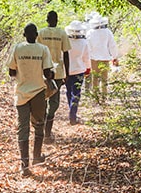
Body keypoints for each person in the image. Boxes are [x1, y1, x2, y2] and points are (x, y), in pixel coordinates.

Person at [7, 23, 54, 177]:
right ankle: (37, 157)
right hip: (38, 93)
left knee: (23, 128)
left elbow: (11, 72)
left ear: (24, 34)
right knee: (39, 124)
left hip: (21, 93)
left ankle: (24, 164)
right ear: (36, 35)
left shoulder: (17, 48)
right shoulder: (43, 49)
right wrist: (51, 75)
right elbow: (47, 73)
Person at [37, 10, 71, 144]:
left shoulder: (41, 33)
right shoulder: (62, 33)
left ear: (47, 19)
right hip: (56, 71)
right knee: (54, 101)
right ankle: (47, 131)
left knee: (44, 99)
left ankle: (46, 129)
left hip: (43, 71)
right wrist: (67, 72)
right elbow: (66, 54)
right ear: (56, 20)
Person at [86, 13, 119, 103]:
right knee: (104, 79)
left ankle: (96, 97)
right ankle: (104, 98)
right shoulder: (107, 32)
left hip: (93, 59)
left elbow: (87, 47)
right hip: (105, 58)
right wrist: (115, 57)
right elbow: (112, 45)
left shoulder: (90, 33)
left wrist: (86, 59)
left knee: (95, 78)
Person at [64, 20, 91, 125]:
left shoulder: (66, 41)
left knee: (68, 92)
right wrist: (88, 68)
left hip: (67, 71)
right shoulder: (84, 42)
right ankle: (73, 114)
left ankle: (72, 112)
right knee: (76, 93)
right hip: (79, 71)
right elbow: (86, 57)